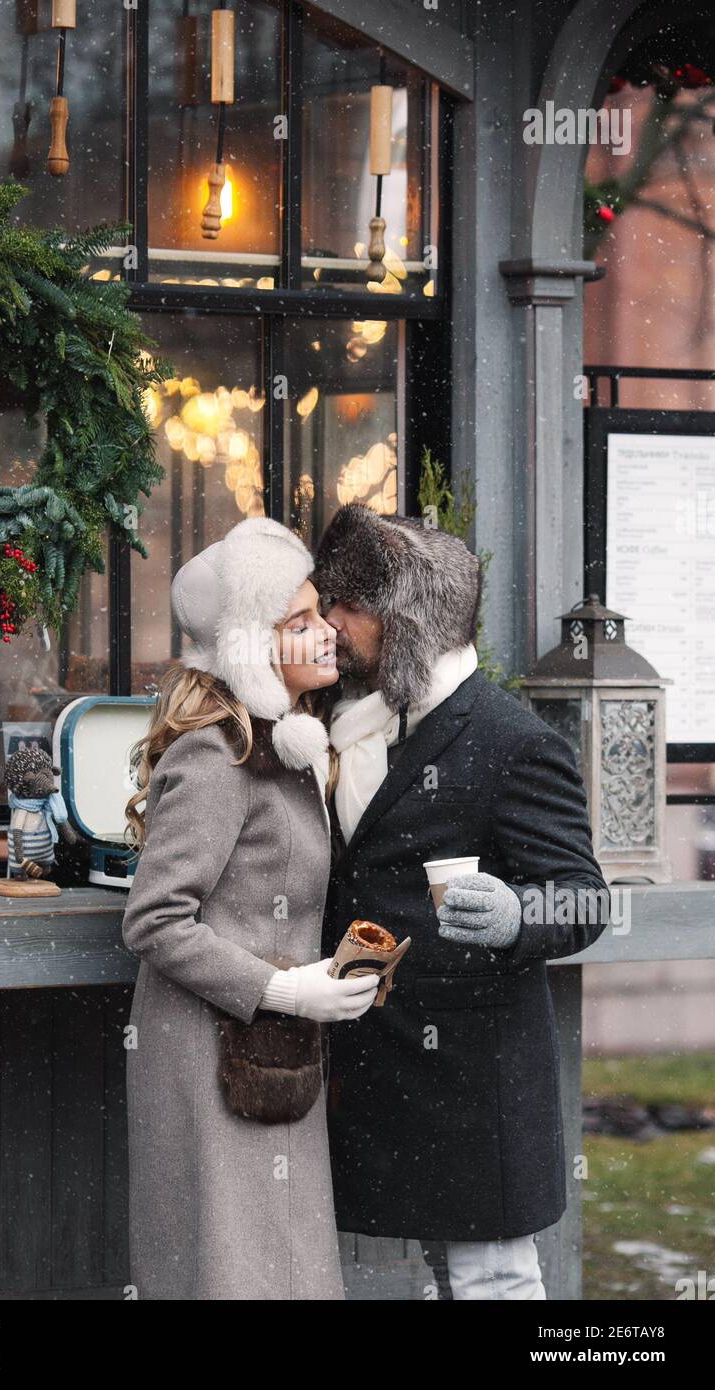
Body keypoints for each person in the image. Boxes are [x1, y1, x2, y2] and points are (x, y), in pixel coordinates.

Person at [313, 503, 611, 1301]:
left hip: (476, 1080)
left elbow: (584, 900)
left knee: (493, 1281)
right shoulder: (354, 723)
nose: (330, 620)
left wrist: (518, 913)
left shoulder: (514, 741)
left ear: (403, 620)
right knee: (439, 1275)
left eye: (348, 605)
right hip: (381, 1064)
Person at [120, 516, 378, 1300]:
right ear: (251, 649)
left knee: (283, 1269)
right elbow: (154, 919)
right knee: (232, 1273)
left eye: (319, 612)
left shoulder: (289, 748)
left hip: (272, 1054)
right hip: (207, 1060)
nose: (328, 631)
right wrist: (282, 989)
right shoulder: (217, 752)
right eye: (298, 624)